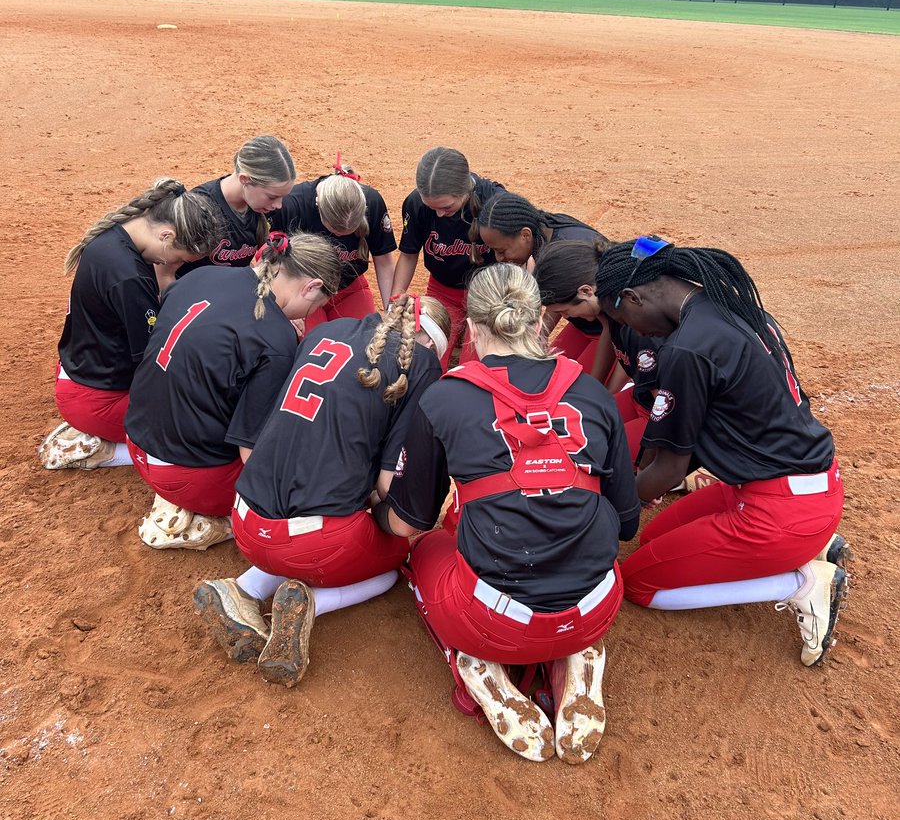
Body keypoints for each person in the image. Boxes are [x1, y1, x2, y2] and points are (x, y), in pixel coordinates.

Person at [373, 263, 640, 765]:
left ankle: (478, 663)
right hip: (596, 605)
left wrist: (373, 506)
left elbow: (410, 522)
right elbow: (627, 524)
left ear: (472, 328)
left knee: (431, 546)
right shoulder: (594, 395)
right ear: (541, 320)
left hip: (496, 620)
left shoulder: (445, 397)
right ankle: (575, 654)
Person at [591, 237, 850, 666]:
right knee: (653, 537)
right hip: (788, 483)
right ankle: (816, 541)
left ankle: (801, 582)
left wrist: (608, 505)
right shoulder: (727, 303)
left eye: (627, 320)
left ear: (634, 297)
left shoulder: (687, 347)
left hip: (780, 509)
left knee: (638, 584)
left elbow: (671, 468)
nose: (636, 334)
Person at [193, 295, 451, 682]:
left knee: (311, 514)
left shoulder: (327, 331)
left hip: (244, 518)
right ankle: (311, 602)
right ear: (429, 343)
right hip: (314, 543)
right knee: (395, 558)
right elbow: (388, 487)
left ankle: (243, 588)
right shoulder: (422, 362)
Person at [124, 231, 341, 550]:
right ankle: (220, 521)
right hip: (191, 476)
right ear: (311, 287)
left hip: (136, 444)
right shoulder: (275, 338)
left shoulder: (203, 274)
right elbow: (250, 452)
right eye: (313, 307)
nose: (306, 318)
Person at [39, 179, 223, 472]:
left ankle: (99, 435)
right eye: (178, 259)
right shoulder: (130, 278)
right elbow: (154, 366)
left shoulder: (113, 239)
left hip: (82, 377)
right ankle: (107, 449)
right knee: (206, 421)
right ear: (166, 235)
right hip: (99, 400)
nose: (171, 265)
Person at [534, 238, 664, 463]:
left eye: (565, 311)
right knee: (574, 429)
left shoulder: (638, 325)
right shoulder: (612, 305)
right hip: (641, 397)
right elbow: (613, 341)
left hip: (663, 414)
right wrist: (598, 394)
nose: (567, 318)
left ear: (585, 291)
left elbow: (667, 411)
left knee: (595, 457)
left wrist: (651, 465)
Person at [472, 192, 615, 378]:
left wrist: (596, 386)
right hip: (583, 322)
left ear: (525, 235)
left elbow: (612, 324)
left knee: (571, 383)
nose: (498, 258)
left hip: (607, 330)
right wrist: (539, 337)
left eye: (501, 250)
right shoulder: (543, 235)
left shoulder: (567, 249)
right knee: (546, 373)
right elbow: (559, 295)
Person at [390, 147, 504, 369]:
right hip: (443, 290)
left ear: (465, 191)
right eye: (431, 207)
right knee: (428, 360)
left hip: (486, 293)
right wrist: (395, 300)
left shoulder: (494, 202)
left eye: (446, 207)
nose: (439, 214)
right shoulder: (415, 204)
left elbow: (515, 258)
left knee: (472, 366)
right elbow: (409, 254)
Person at [280, 157, 396, 324]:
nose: (341, 237)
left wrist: (391, 312)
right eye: (335, 229)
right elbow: (272, 259)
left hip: (348, 288)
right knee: (312, 343)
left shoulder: (372, 201)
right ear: (318, 205)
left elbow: (384, 262)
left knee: (363, 340)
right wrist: (286, 305)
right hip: (303, 290)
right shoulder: (293, 204)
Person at [173, 135, 297, 282]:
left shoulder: (256, 205)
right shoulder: (200, 209)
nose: (279, 205)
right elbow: (164, 273)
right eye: (272, 197)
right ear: (245, 180)